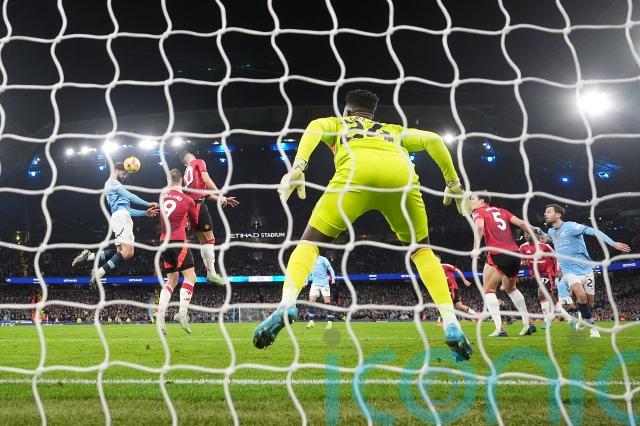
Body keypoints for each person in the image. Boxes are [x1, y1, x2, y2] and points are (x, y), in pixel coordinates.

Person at [253, 89, 473, 361]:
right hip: (401, 178)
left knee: (309, 244)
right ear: (373, 113)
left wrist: (299, 166)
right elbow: (434, 140)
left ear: (346, 110)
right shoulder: (392, 130)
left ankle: (287, 304)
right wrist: (453, 183)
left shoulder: (338, 123)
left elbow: (314, 126)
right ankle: (450, 321)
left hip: (356, 174)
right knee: (422, 251)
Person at [539, 204, 630, 337]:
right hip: (569, 271)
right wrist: (539, 232)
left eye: (548, 212)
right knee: (581, 296)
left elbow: (594, 231)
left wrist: (612, 243)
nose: (545, 214)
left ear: (558, 215)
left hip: (586, 269)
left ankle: (583, 319)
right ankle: (593, 329)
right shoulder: (552, 231)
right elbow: (547, 238)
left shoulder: (571, 226)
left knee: (590, 304)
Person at [72, 162, 159, 285]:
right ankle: (99, 272)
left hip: (120, 217)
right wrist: (148, 203)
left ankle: (90, 256)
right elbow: (131, 196)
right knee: (128, 253)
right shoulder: (111, 183)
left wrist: (145, 213)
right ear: (117, 170)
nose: (124, 176)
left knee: (121, 252)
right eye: (124, 173)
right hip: (122, 218)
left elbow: (128, 210)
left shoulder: (113, 185)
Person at [471, 194, 537, 337]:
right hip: (514, 253)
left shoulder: (478, 211)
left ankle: (499, 328)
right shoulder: (502, 211)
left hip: (497, 253)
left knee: (488, 290)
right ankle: (527, 323)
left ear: (482, 201)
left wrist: (476, 248)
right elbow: (522, 223)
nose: (471, 202)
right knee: (510, 288)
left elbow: (479, 226)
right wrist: (535, 232)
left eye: (473, 199)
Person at [180, 150, 239, 285]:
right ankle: (212, 274)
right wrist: (220, 193)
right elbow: (207, 180)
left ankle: (210, 273)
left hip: (190, 209)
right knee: (210, 240)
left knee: (204, 242)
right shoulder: (198, 162)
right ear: (192, 156)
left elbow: (204, 194)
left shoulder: (186, 173)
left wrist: (222, 199)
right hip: (199, 206)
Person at [155, 169, 199, 335]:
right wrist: (188, 222)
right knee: (190, 276)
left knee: (171, 280)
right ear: (182, 181)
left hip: (163, 242)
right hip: (178, 241)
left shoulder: (162, 196)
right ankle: (182, 313)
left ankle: (160, 315)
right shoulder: (188, 200)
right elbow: (194, 223)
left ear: (168, 180)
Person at [519, 232, 564, 329]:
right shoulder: (523, 247)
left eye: (528, 233)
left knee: (541, 293)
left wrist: (557, 270)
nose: (526, 235)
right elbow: (523, 260)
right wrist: (524, 263)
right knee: (550, 296)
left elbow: (555, 257)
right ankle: (566, 316)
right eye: (525, 234)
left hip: (547, 272)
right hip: (537, 275)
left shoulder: (545, 246)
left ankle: (547, 320)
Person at [438, 257, 476, 323]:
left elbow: (457, 270)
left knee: (446, 305)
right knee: (460, 306)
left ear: (440, 260)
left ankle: (445, 322)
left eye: (436, 259)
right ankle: (475, 315)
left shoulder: (445, 266)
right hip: (445, 289)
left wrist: (464, 280)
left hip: (452, 288)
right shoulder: (434, 270)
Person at [305, 255, 336, 330]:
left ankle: (329, 322)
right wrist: (306, 282)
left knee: (327, 302)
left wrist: (333, 278)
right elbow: (308, 272)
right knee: (311, 302)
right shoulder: (310, 260)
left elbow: (330, 269)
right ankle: (311, 322)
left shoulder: (323, 259)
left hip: (324, 284)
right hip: (315, 284)